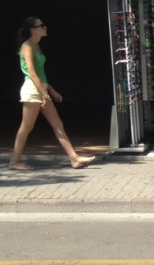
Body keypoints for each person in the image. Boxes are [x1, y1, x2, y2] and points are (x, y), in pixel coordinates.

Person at [9, 17, 96, 171]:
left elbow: (41, 74)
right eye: (41, 25)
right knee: (26, 126)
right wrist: (44, 93)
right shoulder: (27, 46)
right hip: (32, 90)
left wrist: (51, 90)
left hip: (40, 89)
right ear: (33, 30)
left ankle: (74, 158)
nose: (45, 27)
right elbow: (32, 74)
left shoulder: (36, 46)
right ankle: (15, 161)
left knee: (57, 124)